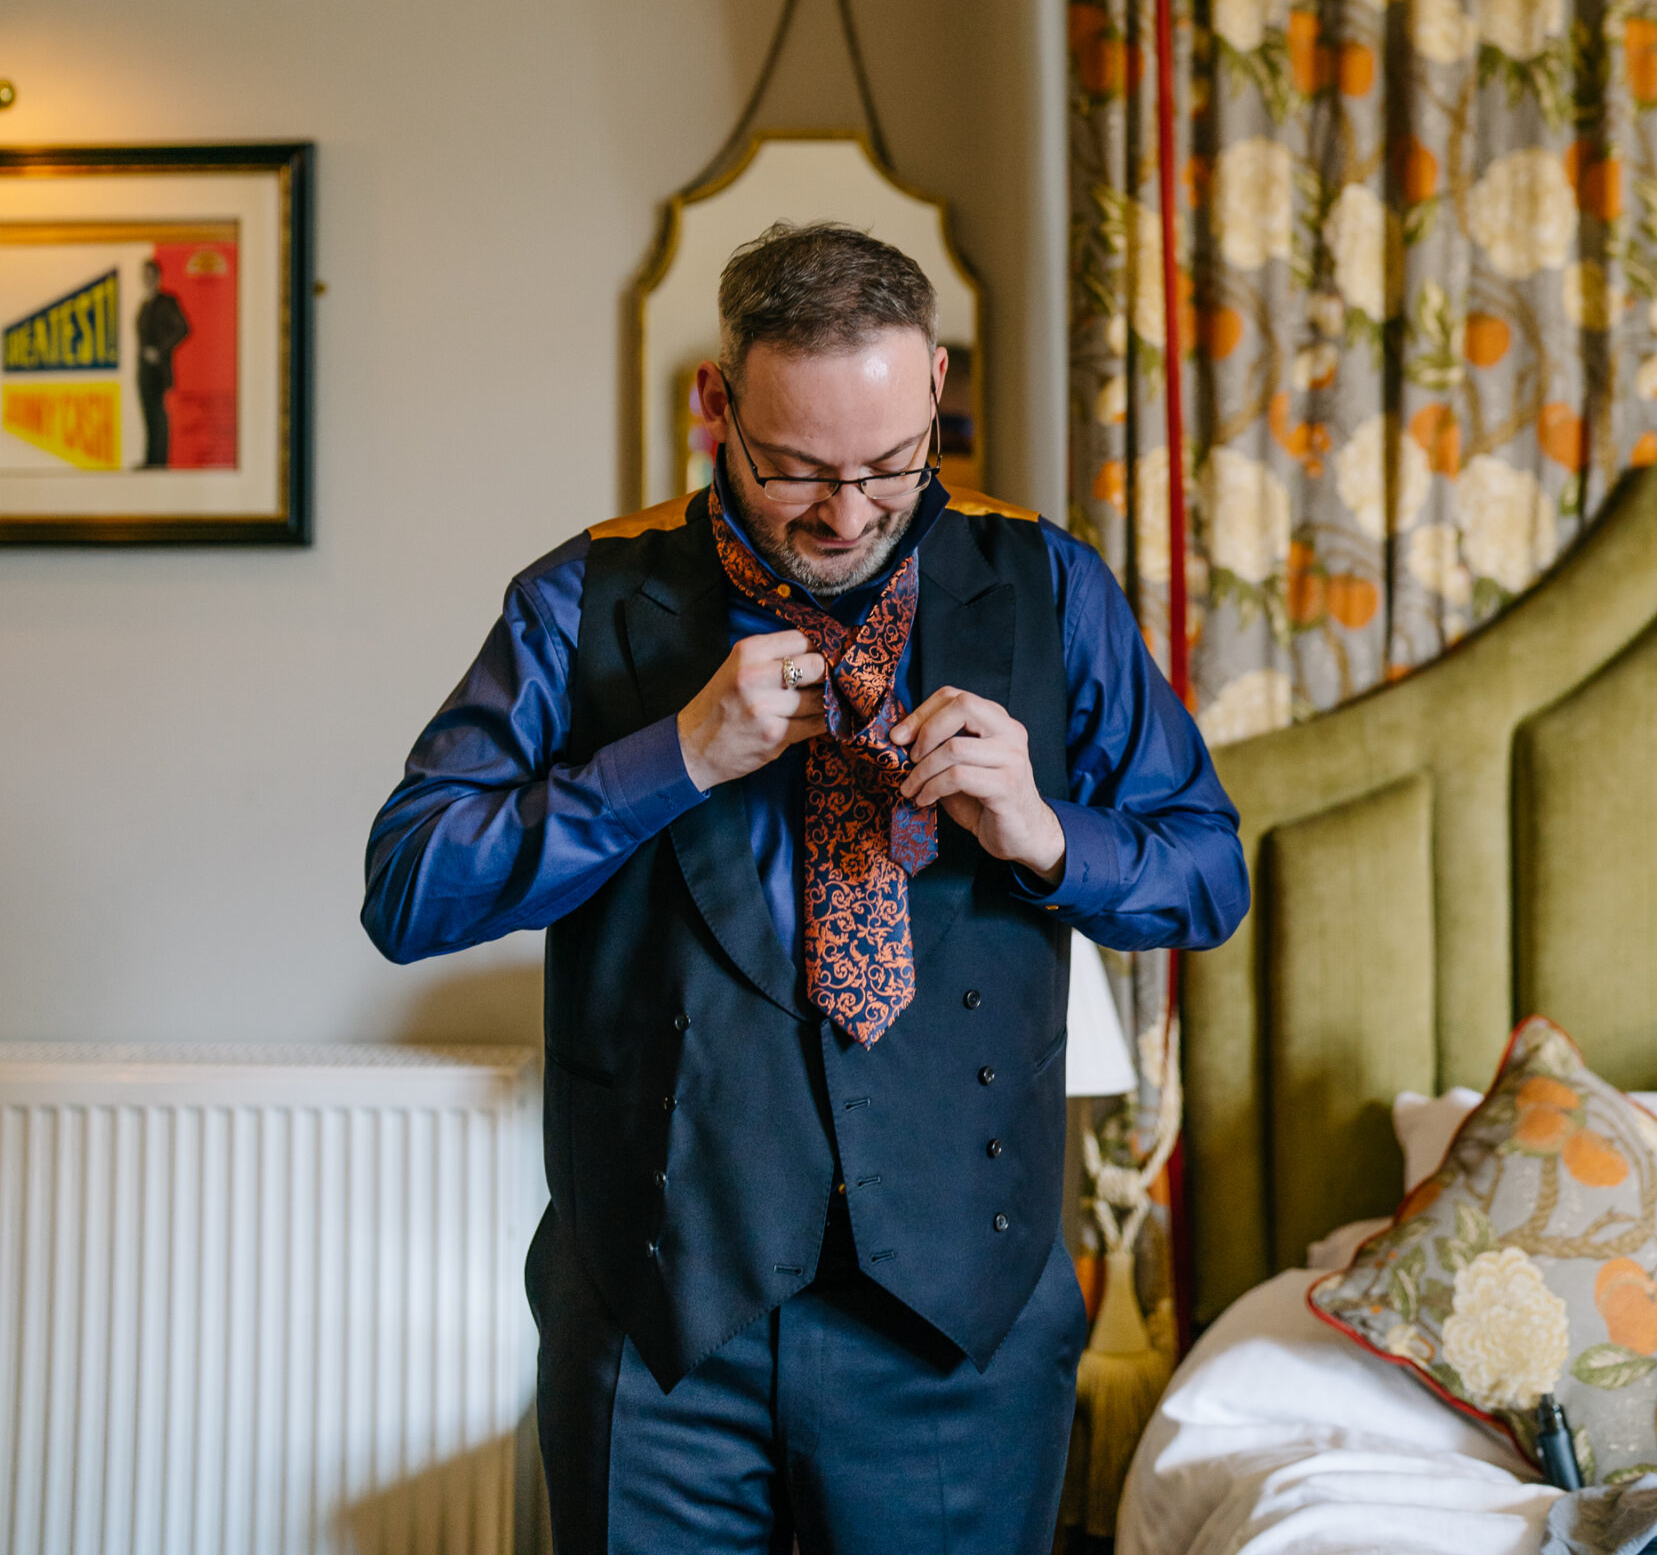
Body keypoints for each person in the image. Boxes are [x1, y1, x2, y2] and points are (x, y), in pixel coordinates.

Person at [363, 221, 1247, 1555]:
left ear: (936, 388)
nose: (844, 513)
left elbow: (1207, 876)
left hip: (958, 1333)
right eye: (794, 473)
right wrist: (668, 761)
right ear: (717, 405)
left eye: (889, 467)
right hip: (659, 1331)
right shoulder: (580, 600)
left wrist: (1041, 830)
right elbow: (410, 884)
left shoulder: (1048, 590)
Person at [134, 256, 190, 469]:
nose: (147, 279)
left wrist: (159, 351)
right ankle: (150, 460)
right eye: (144, 276)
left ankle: (159, 462)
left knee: (158, 414)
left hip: (157, 369)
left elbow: (182, 328)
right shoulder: (144, 304)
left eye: (150, 275)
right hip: (143, 370)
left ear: (157, 277)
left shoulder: (166, 302)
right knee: (148, 414)